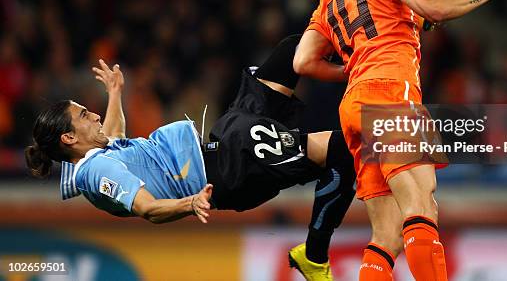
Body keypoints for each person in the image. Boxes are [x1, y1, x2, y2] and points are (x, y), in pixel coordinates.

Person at [25, 35, 356, 281]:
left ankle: (374, 63)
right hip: (232, 170)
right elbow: (148, 208)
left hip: (225, 142)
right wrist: (191, 203)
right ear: (68, 138)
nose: (93, 116)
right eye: (84, 115)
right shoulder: (97, 172)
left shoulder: (97, 157)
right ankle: (315, 253)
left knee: (293, 50)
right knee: (346, 149)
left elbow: (113, 137)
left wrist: (114, 94)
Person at [294, 0, 507, 281]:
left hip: (354, 102)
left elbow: (303, 62)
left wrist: (358, 65)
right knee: (422, 205)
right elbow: (432, 8)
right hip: (389, 93)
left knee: (388, 235)